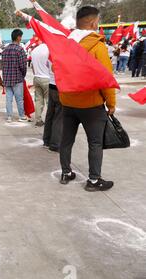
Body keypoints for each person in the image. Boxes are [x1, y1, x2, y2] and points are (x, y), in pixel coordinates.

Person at [59, 6, 115, 191]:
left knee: (66, 140)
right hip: (91, 104)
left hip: (68, 102)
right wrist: (111, 103)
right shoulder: (97, 46)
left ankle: (66, 173)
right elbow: (106, 77)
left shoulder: (66, 44)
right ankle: (93, 180)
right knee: (95, 142)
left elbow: (57, 70)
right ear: (93, 22)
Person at [2, 29, 28, 123]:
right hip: (17, 78)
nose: (21, 38)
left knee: (8, 99)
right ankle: (21, 116)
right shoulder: (20, 49)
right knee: (19, 99)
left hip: (7, 78)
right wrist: (23, 75)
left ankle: (9, 117)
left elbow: (3, 65)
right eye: (20, 36)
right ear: (18, 37)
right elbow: (23, 66)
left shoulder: (5, 50)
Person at [43, 64, 62, 153]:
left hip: (51, 84)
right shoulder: (62, 55)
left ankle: (46, 140)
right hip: (59, 86)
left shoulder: (52, 54)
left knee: (50, 114)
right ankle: (55, 144)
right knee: (58, 117)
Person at [31, 41, 50, 127]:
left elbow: (32, 66)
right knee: (49, 102)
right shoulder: (49, 50)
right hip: (47, 78)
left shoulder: (34, 51)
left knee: (38, 100)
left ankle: (38, 120)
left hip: (37, 77)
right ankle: (50, 120)